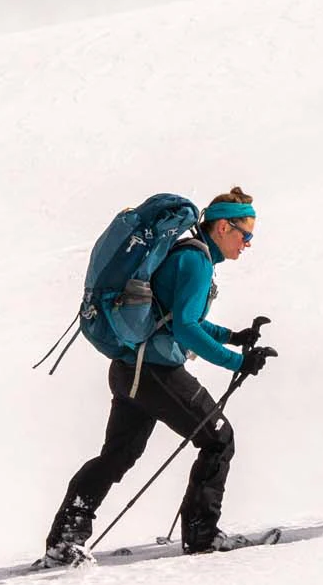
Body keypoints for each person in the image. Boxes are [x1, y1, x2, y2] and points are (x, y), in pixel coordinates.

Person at [44, 188, 276, 561]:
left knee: (118, 455)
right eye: (244, 234)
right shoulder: (196, 262)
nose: (247, 244)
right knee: (219, 439)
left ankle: (64, 538)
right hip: (155, 372)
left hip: (131, 369)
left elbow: (181, 319)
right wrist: (237, 362)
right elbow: (185, 329)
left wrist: (234, 337)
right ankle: (202, 535)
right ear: (221, 227)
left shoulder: (189, 256)